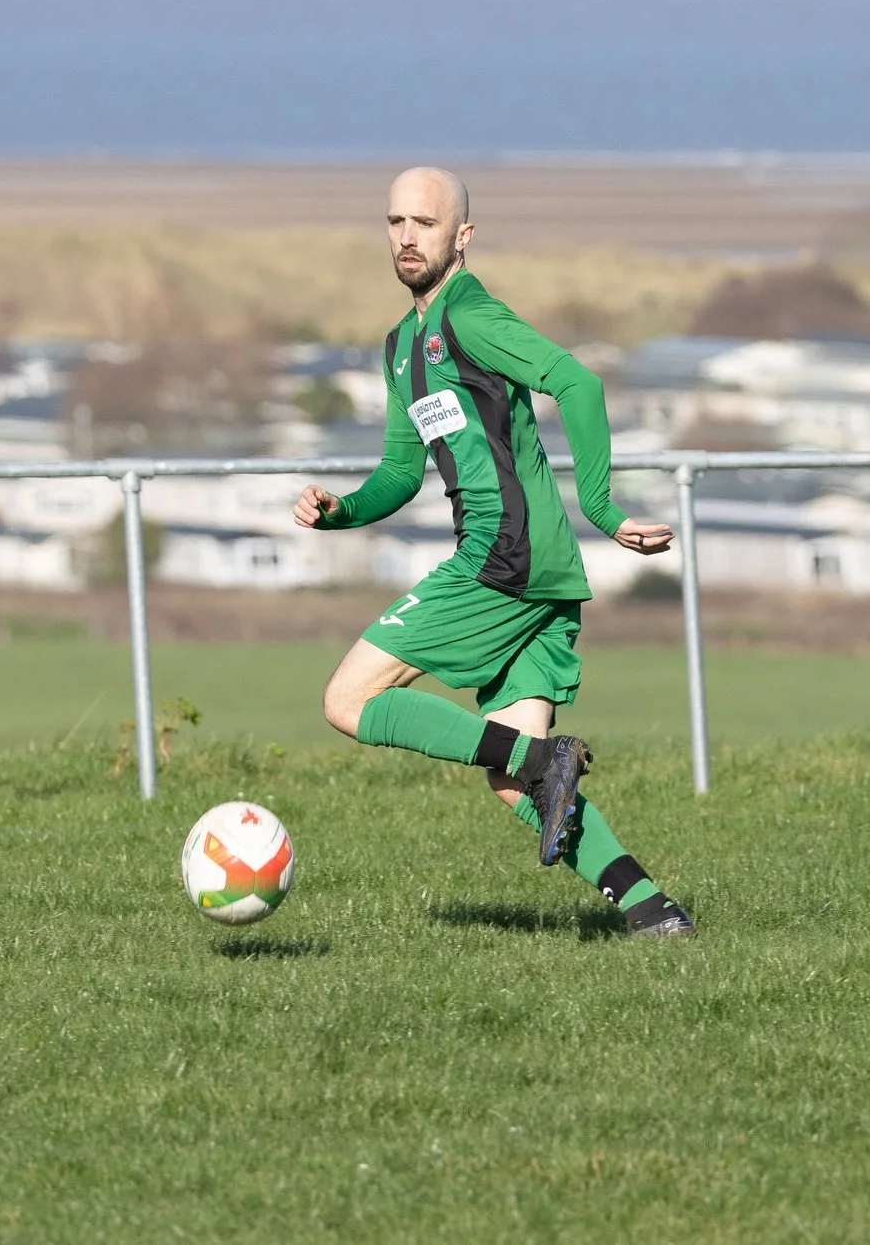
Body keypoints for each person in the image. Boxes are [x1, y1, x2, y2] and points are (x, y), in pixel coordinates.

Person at [294, 167, 694, 937]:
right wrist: (342, 512)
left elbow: (576, 382)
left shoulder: (470, 317)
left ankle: (550, 764)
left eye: (425, 223)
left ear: (462, 237)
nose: (407, 237)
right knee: (515, 779)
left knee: (347, 701)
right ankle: (654, 913)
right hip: (537, 573)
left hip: (503, 558)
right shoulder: (403, 346)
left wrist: (604, 508)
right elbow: (400, 474)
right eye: (395, 222)